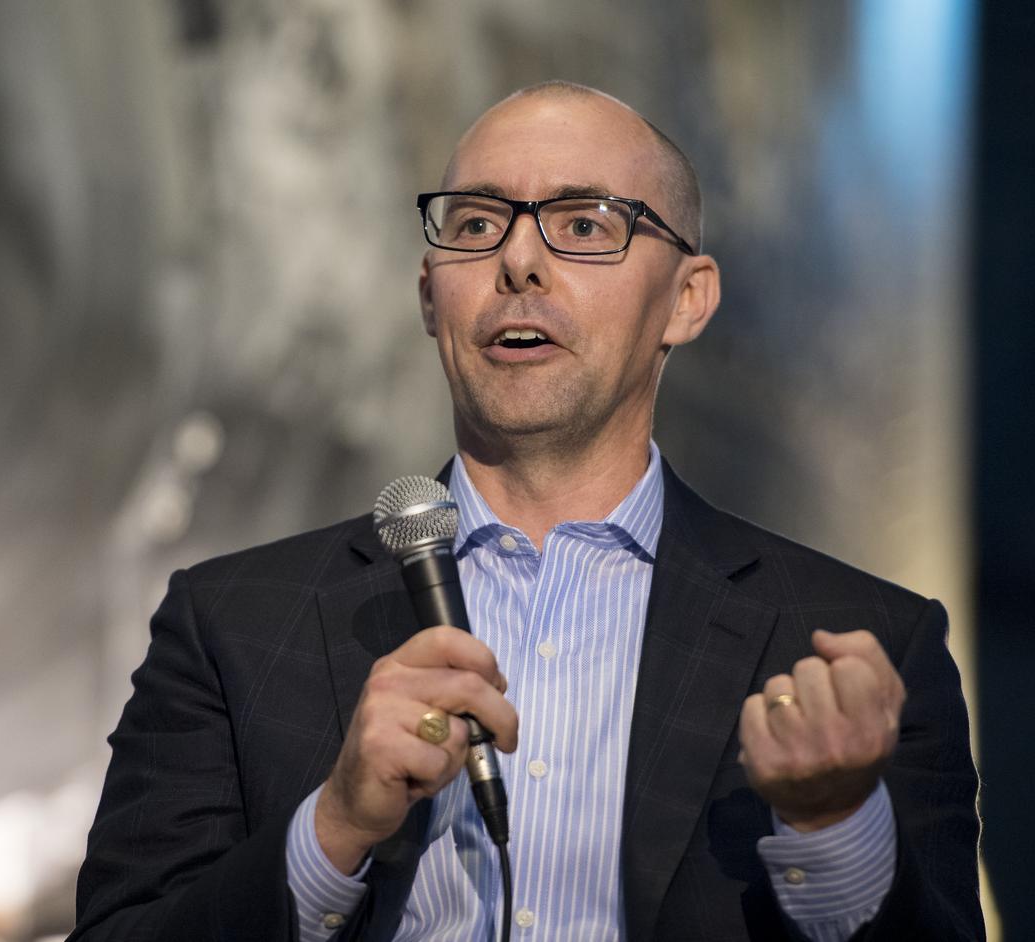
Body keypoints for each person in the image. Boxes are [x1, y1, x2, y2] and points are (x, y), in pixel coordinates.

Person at [71, 81, 983, 941]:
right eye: (476, 225)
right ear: (431, 298)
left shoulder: (861, 645)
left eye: (584, 224)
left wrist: (833, 823)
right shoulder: (230, 625)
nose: (517, 261)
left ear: (687, 299)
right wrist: (333, 827)